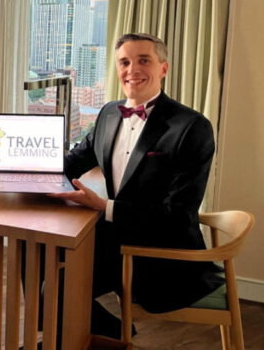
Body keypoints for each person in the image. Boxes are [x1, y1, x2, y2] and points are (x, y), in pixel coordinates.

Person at [46, 33, 224, 340]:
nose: (132, 70)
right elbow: (72, 162)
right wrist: (18, 169)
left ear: (163, 68)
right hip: (115, 241)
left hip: (161, 257)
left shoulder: (192, 128)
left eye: (144, 60)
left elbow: (177, 216)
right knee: (39, 258)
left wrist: (104, 207)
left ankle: (102, 340)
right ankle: (107, 337)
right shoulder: (108, 114)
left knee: (57, 287)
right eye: (124, 62)